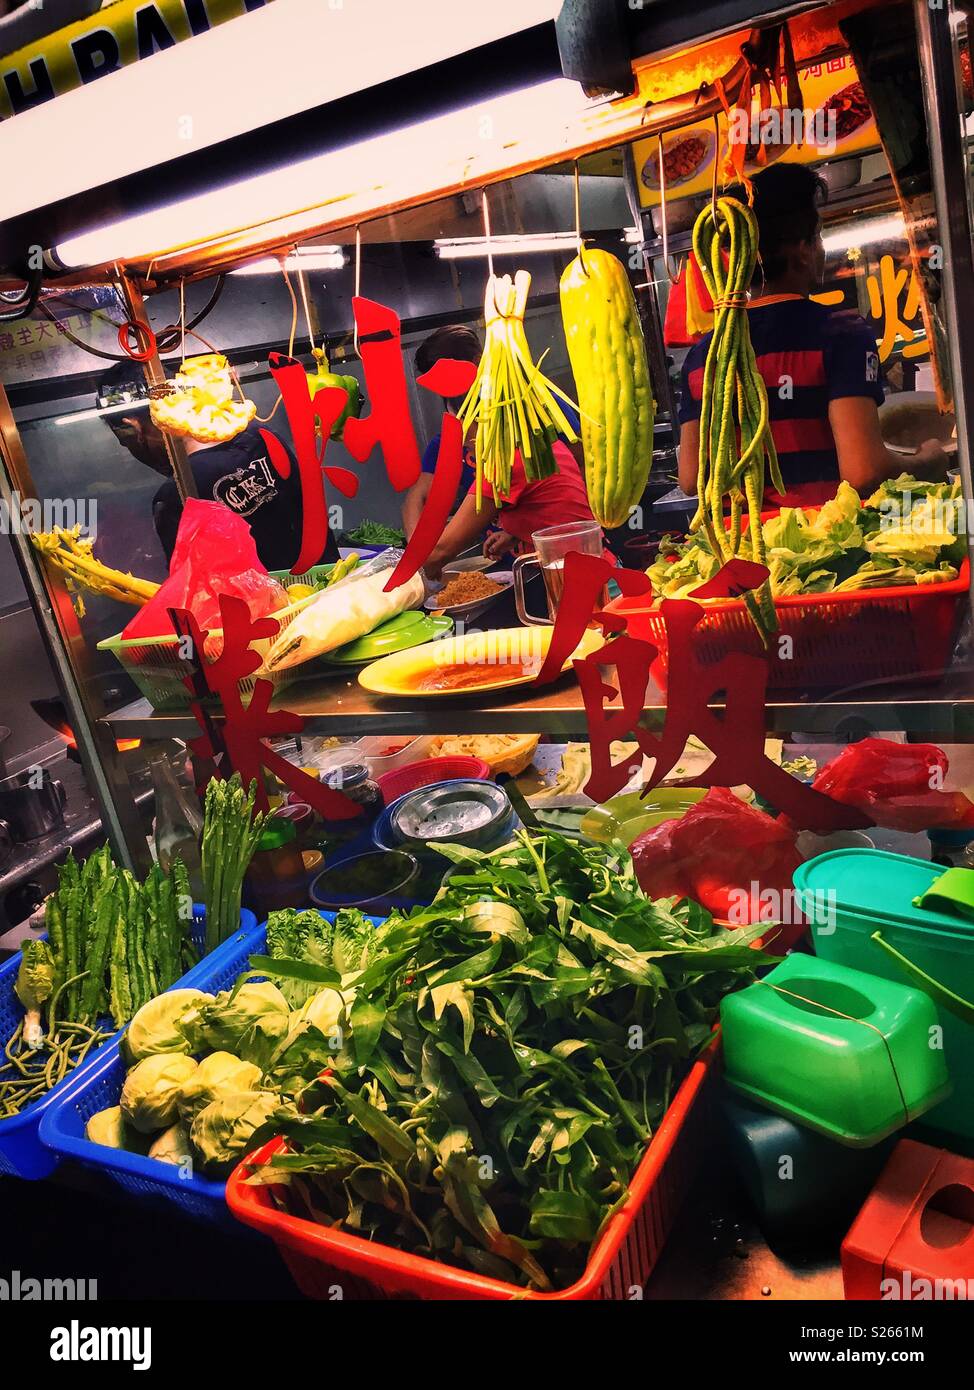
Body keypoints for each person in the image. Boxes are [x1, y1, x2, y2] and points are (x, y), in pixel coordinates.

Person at [677, 164, 949, 504]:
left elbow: (691, 479)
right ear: (803, 250)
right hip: (822, 544)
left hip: (741, 548)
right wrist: (929, 460)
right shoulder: (840, 332)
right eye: (817, 237)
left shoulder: (702, 356)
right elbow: (864, 471)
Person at [98, 363, 339, 571]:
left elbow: (195, 596)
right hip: (333, 594)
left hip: (269, 620)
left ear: (133, 429)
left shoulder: (177, 495)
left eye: (125, 441)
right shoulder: (262, 437)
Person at [404, 326, 591, 577]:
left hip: (573, 571)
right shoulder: (519, 442)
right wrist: (518, 530)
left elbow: (440, 552)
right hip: (553, 566)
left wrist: (407, 572)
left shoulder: (509, 454)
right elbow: (546, 500)